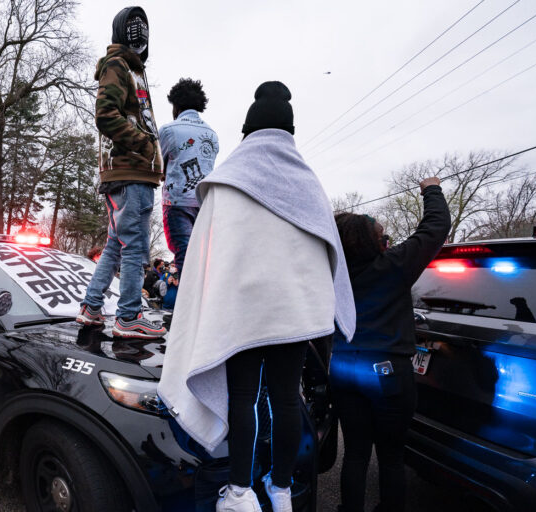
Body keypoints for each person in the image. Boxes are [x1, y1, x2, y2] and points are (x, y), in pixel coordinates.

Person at [157, 81, 355, 512]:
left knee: (241, 398)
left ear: (247, 130)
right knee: (286, 399)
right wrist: (333, 305)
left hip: (241, 311)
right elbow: (331, 251)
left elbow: (204, 254)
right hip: (294, 314)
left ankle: (241, 491)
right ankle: (281, 489)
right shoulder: (309, 186)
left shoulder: (227, 182)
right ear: (290, 129)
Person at [331, 178, 450, 512]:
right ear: (373, 242)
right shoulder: (394, 266)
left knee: (355, 453)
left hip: (341, 369)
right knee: (391, 456)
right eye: (382, 236)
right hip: (385, 374)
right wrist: (431, 189)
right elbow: (435, 228)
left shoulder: (330, 277)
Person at [75, 6, 166, 339]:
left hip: (134, 172)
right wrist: (144, 146)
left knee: (115, 244)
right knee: (132, 245)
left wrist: (155, 161)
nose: (140, 35)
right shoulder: (117, 66)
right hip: (130, 171)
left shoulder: (132, 70)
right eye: (134, 28)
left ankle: (91, 307)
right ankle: (128, 317)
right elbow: (105, 115)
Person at [159, 78, 220, 273]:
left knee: (184, 259)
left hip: (177, 203)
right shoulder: (212, 134)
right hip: (204, 202)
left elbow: (158, 166)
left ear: (176, 106)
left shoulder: (169, 130)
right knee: (204, 260)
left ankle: (185, 303)